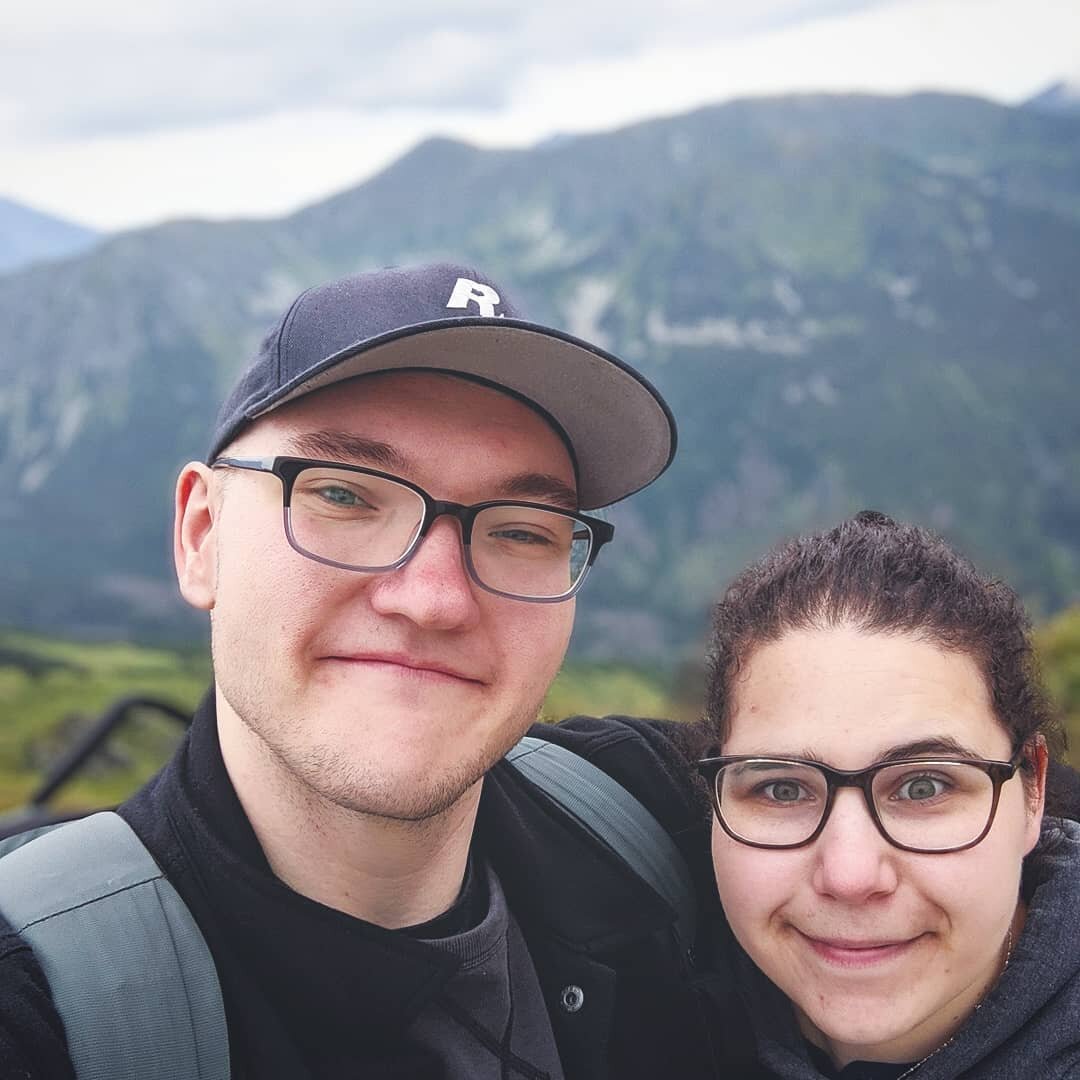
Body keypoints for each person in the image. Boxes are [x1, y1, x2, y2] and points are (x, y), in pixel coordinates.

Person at [0, 262, 731, 1079]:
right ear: (203, 537)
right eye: (344, 495)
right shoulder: (44, 1008)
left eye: (524, 530)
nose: (435, 600)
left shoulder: (657, 811)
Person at [696, 510, 1080, 1079]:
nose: (850, 877)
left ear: (1033, 792)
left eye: (924, 786)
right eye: (780, 788)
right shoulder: (642, 1002)